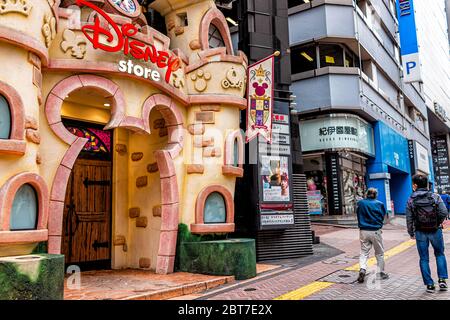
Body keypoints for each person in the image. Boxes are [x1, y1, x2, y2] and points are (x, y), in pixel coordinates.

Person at [406, 174, 449, 293]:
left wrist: (411, 233)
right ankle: (442, 280)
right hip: (435, 230)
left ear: (415, 185)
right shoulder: (435, 196)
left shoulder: (411, 200)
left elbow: (409, 219)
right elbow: (444, 211)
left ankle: (430, 285)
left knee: (424, 258)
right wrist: (437, 222)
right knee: (440, 254)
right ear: (427, 184)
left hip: (420, 232)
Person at [356, 188, 389, 283]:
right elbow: (384, 216)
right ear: (376, 195)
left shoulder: (361, 203)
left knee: (364, 252)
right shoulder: (379, 204)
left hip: (363, 230)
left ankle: (362, 268)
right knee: (379, 253)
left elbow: (358, 214)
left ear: (367, 194)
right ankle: (380, 272)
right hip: (375, 230)